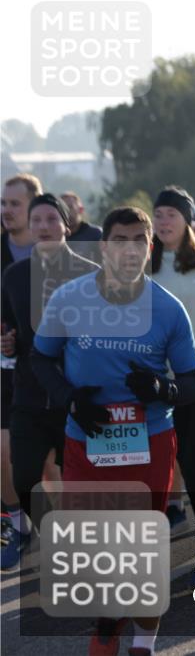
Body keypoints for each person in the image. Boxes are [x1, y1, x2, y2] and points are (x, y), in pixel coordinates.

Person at [32, 205, 195, 656]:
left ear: (150, 248)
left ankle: (140, 644)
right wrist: (69, 397)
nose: (129, 250)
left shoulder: (166, 308)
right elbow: (40, 358)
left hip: (148, 443)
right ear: (103, 248)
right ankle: (110, 617)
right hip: (85, 440)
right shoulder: (69, 299)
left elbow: (194, 383)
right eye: (119, 241)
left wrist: (163, 388)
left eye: (138, 242)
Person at [0, 194, 98, 570]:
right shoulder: (14, 276)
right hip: (27, 392)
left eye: (51, 220)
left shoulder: (90, 273)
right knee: (24, 475)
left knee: (78, 479)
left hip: (75, 392)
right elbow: (8, 327)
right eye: (36, 220)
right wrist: (7, 341)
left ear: (66, 226)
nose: (43, 227)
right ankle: (31, 529)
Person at [149, 185, 195, 585]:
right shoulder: (145, 264)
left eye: (171, 214)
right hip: (167, 382)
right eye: (158, 214)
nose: (163, 221)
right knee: (188, 463)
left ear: (188, 220)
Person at [1, 174, 42, 547]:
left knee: (53, 466)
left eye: (15, 203)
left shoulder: (57, 253)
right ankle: (19, 527)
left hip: (49, 374)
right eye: (3, 203)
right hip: (5, 372)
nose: (6, 210)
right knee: (5, 456)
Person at [60, 191, 103, 263]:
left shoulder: (96, 235)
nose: (66, 212)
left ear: (80, 210)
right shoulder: (55, 237)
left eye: (70, 207)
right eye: (63, 209)